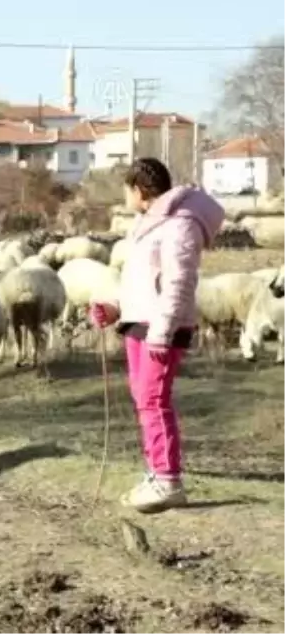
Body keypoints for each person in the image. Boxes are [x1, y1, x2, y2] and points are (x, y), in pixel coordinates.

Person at [88, 157, 224, 513]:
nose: (125, 196)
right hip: (141, 322)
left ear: (138, 190)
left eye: (126, 189)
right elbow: (144, 282)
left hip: (160, 327)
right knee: (143, 399)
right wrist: (116, 307)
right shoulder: (149, 224)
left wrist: (162, 334)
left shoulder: (180, 225)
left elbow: (179, 282)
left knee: (153, 399)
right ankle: (156, 473)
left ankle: (168, 480)